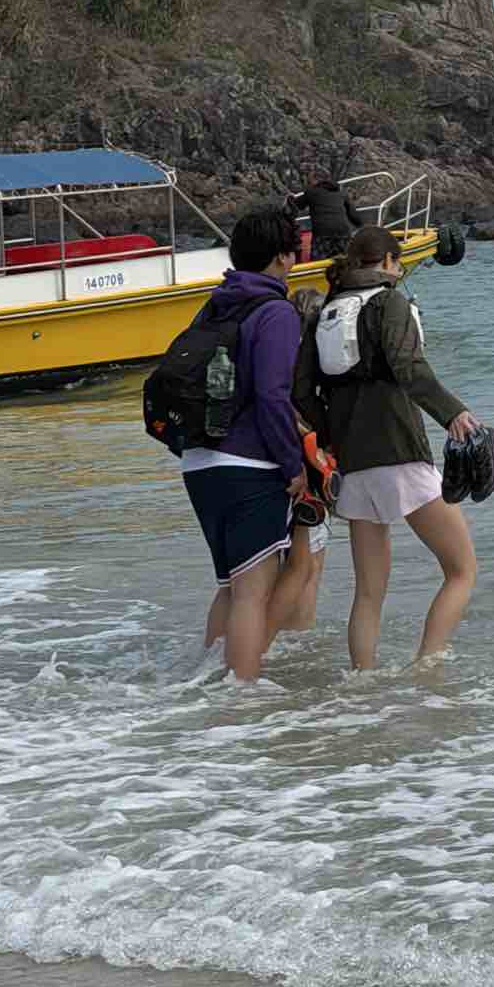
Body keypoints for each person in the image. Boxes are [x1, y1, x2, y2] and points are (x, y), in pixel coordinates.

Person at [298, 224, 486, 668]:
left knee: (368, 592)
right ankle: (429, 666)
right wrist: (453, 412)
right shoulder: (390, 301)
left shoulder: (326, 310)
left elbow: (302, 391)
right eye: (398, 263)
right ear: (387, 263)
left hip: (353, 464)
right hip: (400, 451)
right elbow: (408, 366)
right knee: (462, 570)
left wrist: (330, 437)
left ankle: (363, 683)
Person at [183, 202, 324, 684]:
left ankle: (205, 679)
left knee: (228, 585)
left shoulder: (216, 302)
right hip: (247, 464)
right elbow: (271, 395)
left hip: (199, 460)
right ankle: (239, 697)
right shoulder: (275, 311)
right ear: (284, 257)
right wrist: (292, 466)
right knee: (252, 591)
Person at [289, 169, 352, 259]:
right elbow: (353, 215)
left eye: (309, 180)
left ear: (316, 180)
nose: (308, 182)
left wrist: (291, 198)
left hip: (323, 235)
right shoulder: (340, 192)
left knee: (318, 262)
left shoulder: (311, 192)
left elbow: (298, 205)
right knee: (344, 261)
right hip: (344, 234)